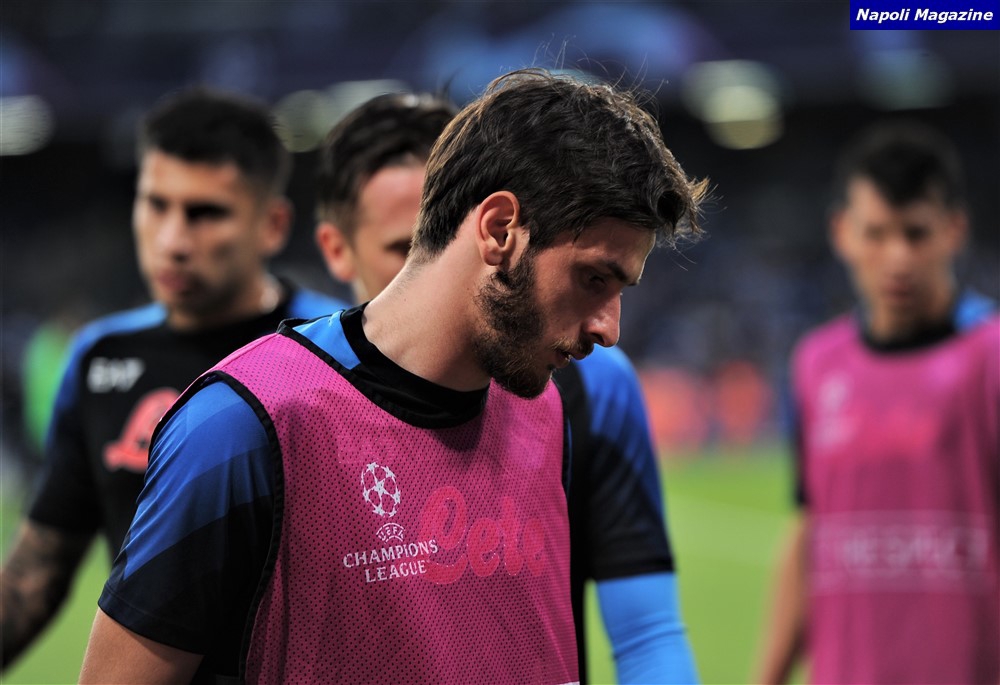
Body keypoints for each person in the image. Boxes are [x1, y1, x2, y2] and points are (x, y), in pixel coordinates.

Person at [79, 68, 707, 684]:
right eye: (593, 278)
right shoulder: (243, 426)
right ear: (499, 230)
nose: (609, 329)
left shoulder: (547, 411)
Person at [313, 91, 699, 684]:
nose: (439, 262)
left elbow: (648, 633)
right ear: (339, 251)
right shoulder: (285, 407)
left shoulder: (588, 388)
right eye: (406, 245)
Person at [0, 87, 346, 670]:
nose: (173, 240)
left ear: (272, 225)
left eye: (205, 213)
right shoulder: (100, 358)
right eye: (156, 205)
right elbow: (37, 573)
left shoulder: (336, 351)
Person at [755, 122, 998, 684]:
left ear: (954, 230)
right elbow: (810, 529)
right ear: (841, 233)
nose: (897, 258)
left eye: (916, 234)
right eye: (876, 233)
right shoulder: (817, 363)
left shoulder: (990, 358)